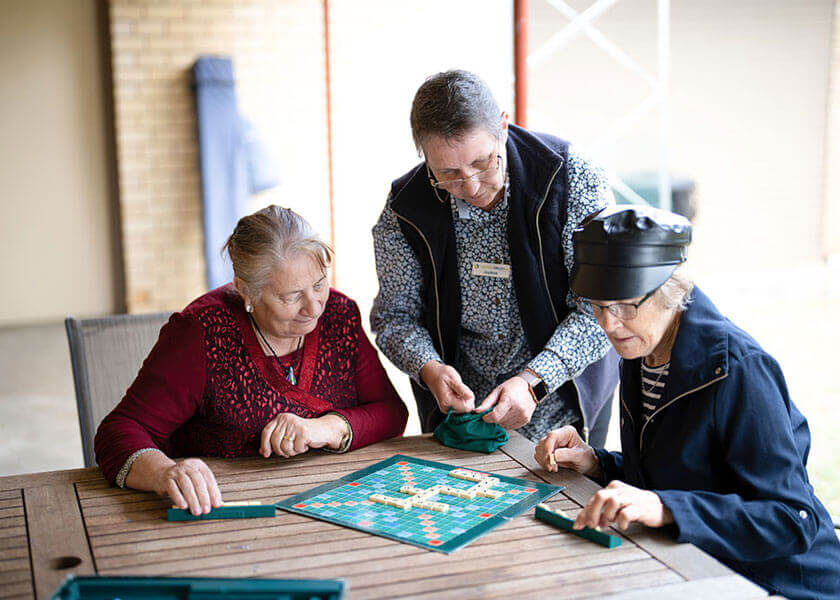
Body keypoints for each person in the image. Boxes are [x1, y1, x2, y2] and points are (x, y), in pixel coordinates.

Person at [535, 205, 840, 599]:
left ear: (671, 289)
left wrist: (667, 510)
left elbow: (791, 520)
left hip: (778, 583)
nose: (609, 324)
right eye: (597, 305)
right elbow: (682, 476)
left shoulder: (739, 369)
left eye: (625, 305)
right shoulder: (642, 345)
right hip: (692, 565)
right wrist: (596, 461)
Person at [95, 206, 408, 516]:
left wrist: (326, 428)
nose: (313, 307)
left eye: (319, 284)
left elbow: (391, 412)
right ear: (246, 291)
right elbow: (119, 430)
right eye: (291, 296)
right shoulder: (201, 332)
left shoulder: (339, 315)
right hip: (225, 508)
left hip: (333, 501)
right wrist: (164, 472)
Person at [371, 69, 619, 445]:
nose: (469, 186)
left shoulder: (572, 178)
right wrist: (430, 369)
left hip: (563, 402)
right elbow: (395, 318)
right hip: (459, 412)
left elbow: (602, 309)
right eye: (448, 173)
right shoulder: (405, 209)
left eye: (483, 162)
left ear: (503, 125)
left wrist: (534, 382)